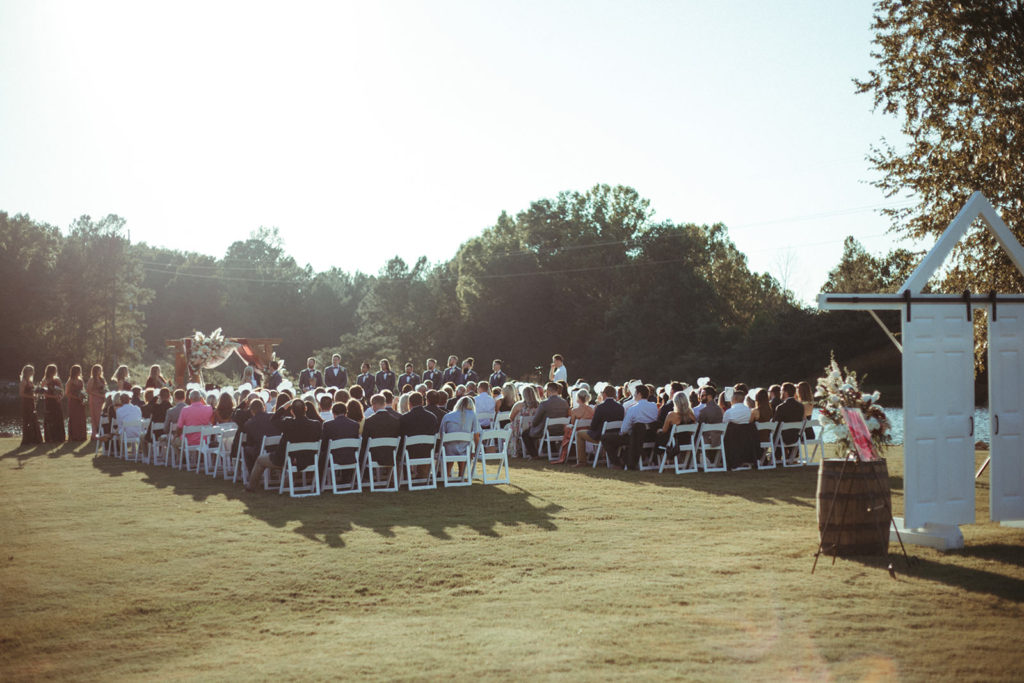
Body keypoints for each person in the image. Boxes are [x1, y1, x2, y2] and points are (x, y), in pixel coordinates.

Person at [247, 399, 322, 490]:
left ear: (291, 411)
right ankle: (287, 481)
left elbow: (273, 419)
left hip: (286, 459)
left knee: (259, 460)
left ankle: (251, 487)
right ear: (305, 409)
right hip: (307, 459)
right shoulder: (316, 424)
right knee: (297, 457)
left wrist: (283, 407)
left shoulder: (288, 423)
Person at [602, 384, 659, 469]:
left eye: (635, 393)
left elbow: (624, 429)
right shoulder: (654, 407)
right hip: (650, 437)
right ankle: (623, 458)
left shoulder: (633, 409)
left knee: (605, 437)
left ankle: (617, 462)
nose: (633, 395)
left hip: (636, 438)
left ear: (639, 394)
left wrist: (621, 433)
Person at [573, 384, 624, 467]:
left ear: (604, 394)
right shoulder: (620, 407)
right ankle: (603, 457)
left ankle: (582, 461)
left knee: (579, 433)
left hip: (600, 436)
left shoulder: (600, 407)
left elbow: (593, 426)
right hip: (615, 435)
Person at [360, 394, 401, 482]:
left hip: (374, 456)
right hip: (391, 454)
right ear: (384, 404)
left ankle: (363, 478)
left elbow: (364, 441)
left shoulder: (369, 421)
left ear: (374, 404)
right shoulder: (395, 420)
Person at [524, 382, 570, 459]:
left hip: (547, 430)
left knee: (525, 433)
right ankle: (552, 450)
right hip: (561, 429)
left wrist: (533, 424)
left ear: (548, 391)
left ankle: (534, 455)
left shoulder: (544, 403)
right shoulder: (564, 402)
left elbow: (535, 421)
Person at [439, 395, 481, 479]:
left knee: (450, 446)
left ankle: (447, 474)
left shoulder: (448, 415)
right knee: (466, 447)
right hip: (464, 448)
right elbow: (476, 434)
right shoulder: (472, 414)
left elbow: (442, 433)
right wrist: (477, 448)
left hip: (449, 449)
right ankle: (461, 475)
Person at [399, 391, 438, 479]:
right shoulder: (432, 417)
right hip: (427, 452)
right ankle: (422, 475)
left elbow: (401, 437)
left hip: (409, 453)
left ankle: (406, 476)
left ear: (409, 403)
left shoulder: (404, 418)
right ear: (422, 402)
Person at [320, 401, 361, 481]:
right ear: (346, 412)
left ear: (333, 412)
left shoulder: (328, 425)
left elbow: (324, 445)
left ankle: (321, 480)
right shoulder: (355, 424)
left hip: (333, 458)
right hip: (351, 457)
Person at [240, 399, 280, 474]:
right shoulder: (273, 417)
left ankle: (252, 474)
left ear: (251, 411)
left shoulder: (249, 423)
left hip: (260, 451)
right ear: (263, 408)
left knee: (246, 449)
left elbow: (250, 442)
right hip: (276, 449)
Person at [555, 388, 595, 464]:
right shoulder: (592, 410)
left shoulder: (575, 410)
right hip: (589, 432)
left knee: (567, 429)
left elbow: (573, 424)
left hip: (578, 434)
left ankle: (565, 454)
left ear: (578, 398)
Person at [773, 382, 805, 462]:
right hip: (796, 437)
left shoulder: (780, 407)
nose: (780, 393)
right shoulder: (801, 406)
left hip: (783, 438)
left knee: (775, 434)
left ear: (785, 392)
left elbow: (775, 424)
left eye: (781, 391)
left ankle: (776, 457)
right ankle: (792, 455)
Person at [41, 364, 65, 443]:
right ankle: (50, 437)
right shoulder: (45, 380)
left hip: (56, 402)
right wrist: (53, 397)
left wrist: (59, 397)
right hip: (49, 402)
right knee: (50, 419)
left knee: (58, 418)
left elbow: (61, 391)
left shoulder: (57, 379)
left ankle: (59, 437)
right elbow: (43, 393)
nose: (55, 372)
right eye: (54, 370)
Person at [19, 365, 42, 446]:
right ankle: (28, 439)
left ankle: (35, 439)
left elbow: (32, 391)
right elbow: (21, 394)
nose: (33, 372)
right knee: (28, 419)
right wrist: (31, 396)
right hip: (26, 403)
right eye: (31, 371)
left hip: (32, 402)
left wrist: (37, 393)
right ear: (27, 372)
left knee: (33, 419)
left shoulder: (30, 381)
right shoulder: (23, 381)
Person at [64, 364, 88, 441]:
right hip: (73, 402)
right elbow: (67, 393)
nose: (79, 372)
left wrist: (83, 398)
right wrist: (76, 397)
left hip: (80, 402)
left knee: (81, 418)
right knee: (74, 418)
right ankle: (74, 436)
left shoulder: (80, 380)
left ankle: (82, 436)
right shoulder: (70, 381)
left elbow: (83, 391)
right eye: (78, 371)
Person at [86, 364, 106, 440]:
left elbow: (104, 388)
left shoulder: (101, 379)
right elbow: (88, 390)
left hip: (101, 400)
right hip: (94, 399)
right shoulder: (92, 379)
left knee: (101, 416)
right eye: (99, 370)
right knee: (95, 417)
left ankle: (101, 433)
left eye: (101, 370)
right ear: (95, 371)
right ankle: (95, 434)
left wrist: (104, 393)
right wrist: (98, 394)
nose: (100, 371)